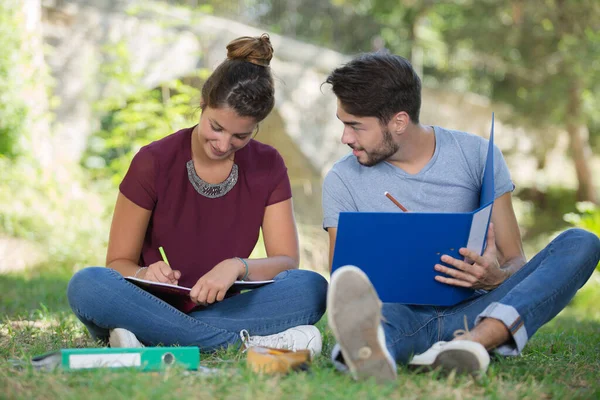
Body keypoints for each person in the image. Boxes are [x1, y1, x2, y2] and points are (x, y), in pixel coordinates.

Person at [321, 52, 600, 382]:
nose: (345, 138)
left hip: (478, 311)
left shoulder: (478, 156)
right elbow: (345, 277)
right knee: (376, 322)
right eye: (343, 124)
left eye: (355, 126)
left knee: (582, 242)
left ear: (398, 121)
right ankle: (370, 350)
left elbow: (516, 262)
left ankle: (474, 343)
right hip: (400, 313)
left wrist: (493, 277)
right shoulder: (342, 178)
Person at [67, 34, 327, 356]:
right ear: (203, 105)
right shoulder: (153, 161)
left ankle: (148, 337)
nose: (222, 144)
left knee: (312, 288)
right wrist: (144, 273)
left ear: (256, 127)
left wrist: (238, 267)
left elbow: (286, 262)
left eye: (240, 136)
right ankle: (249, 343)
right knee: (88, 285)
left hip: (226, 308)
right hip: (151, 303)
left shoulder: (268, 165)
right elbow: (118, 262)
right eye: (216, 127)